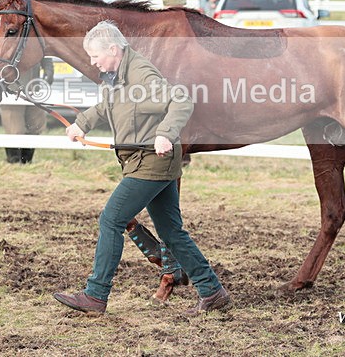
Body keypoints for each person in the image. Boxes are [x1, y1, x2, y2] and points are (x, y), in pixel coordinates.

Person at [54, 20, 230, 315]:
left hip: (151, 162)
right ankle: (212, 291)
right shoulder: (117, 76)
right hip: (147, 161)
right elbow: (107, 106)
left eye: (95, 56)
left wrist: (165, 133)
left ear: (113, 49)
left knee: (111, 219)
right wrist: (80, 124)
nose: (93, 62)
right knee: (171, 232)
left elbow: (181, 101)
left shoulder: (141, 73)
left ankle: (95, 295)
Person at [0, 58, 54, 164]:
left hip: (34, 87)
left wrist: (48, 68)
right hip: (12, 88)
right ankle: (14, 161)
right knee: (14, 127)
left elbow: (44, 52)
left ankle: (27, 160)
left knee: (35, 125)